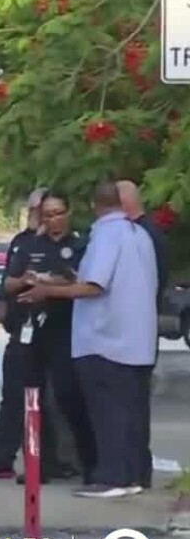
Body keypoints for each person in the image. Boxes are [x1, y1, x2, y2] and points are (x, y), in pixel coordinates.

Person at [18, 181, 158, 498]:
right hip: (137, 340)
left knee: (107, 414)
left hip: (106, 340)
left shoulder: (107, 236)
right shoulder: (140, 235)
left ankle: (112, 478)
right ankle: (134, 476)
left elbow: (94, 286)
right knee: (132, 415)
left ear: (95, 205)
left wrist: (48, 290)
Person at [1, 190, 92, 484]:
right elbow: (9, 283)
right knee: (32, 397)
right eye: (48, 214)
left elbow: (85, 282)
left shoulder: (80, 245)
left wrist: (54, 283)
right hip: (32, 329)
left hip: (66, 329)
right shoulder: (30, 245)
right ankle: (37, 464)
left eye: (58, 213)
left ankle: (90, 463)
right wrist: (26, 280)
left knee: (69, 394)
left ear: (69, 213)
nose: (54, 220)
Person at [0, 188, 49, 479]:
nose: (33, 215)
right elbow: (6, 285)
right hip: (21, 333)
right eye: (31, 210)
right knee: (14, 398)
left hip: (50, 334)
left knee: (47, 402)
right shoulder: (22, 242)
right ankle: (1, 456)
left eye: (37, 210)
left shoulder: (60, 245)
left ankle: (48, 461)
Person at [116, 180, 169, 489]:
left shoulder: (143, 236)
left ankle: (134, 468)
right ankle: (135, 467)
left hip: (136, 329)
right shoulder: (146, 233)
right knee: (132, 402)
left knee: (131, 402)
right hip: (139, 328)